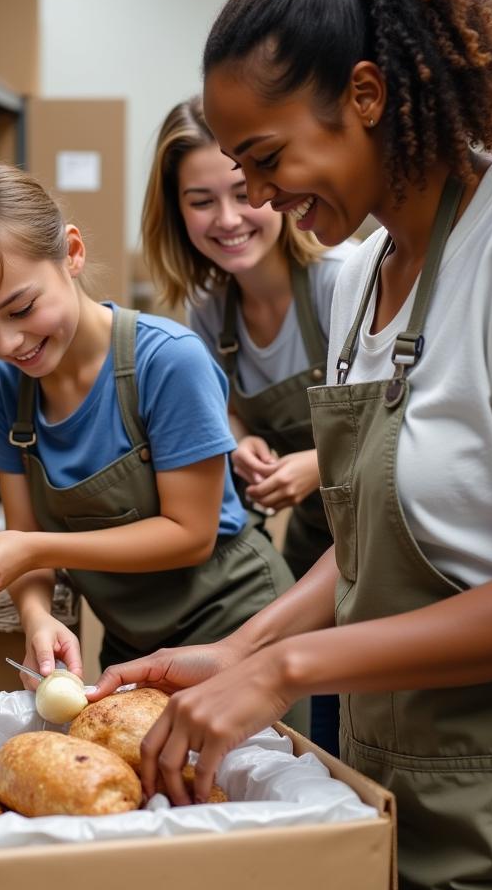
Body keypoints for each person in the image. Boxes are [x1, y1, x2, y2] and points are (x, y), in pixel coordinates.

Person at [90, 0, 492, 890]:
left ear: (365, 95)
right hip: (379, 777)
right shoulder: (357, 274)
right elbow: (370, 548)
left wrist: (287, 669)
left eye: (265, 158)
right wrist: (248, 645)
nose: (255, 198)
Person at [0, 161, 307, 731]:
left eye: (21, 309)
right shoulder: (4, 385)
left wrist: (37, 549)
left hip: (238, 628)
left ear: (71, 254)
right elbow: (24, 542)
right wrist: (36, 617)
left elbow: (190, 535)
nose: (6, 343)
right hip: (129, 641)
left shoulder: (167, 361)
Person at [141, 96, 351, 753]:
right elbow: (225, 401)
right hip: (315, 543)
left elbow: (410, 428)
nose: (228, 219)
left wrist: (318, 464)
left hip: (381, 535)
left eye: (242, 193)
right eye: (201, 200)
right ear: (175, 211)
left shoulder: (340, 284)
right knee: (311, 732)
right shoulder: (211, 312)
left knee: (357, 719)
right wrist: (238, 435)